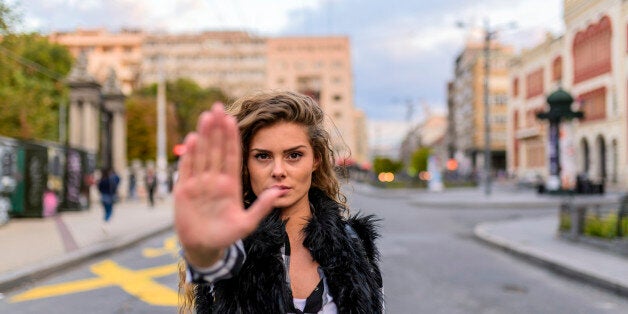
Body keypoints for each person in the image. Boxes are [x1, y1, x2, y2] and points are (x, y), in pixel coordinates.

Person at [175, 91, 383, 313]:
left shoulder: (354, 242)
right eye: (262, 156)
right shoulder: (227, 248)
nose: (278, 171)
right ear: (245, 164)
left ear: (316, 160)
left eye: (294, 155)